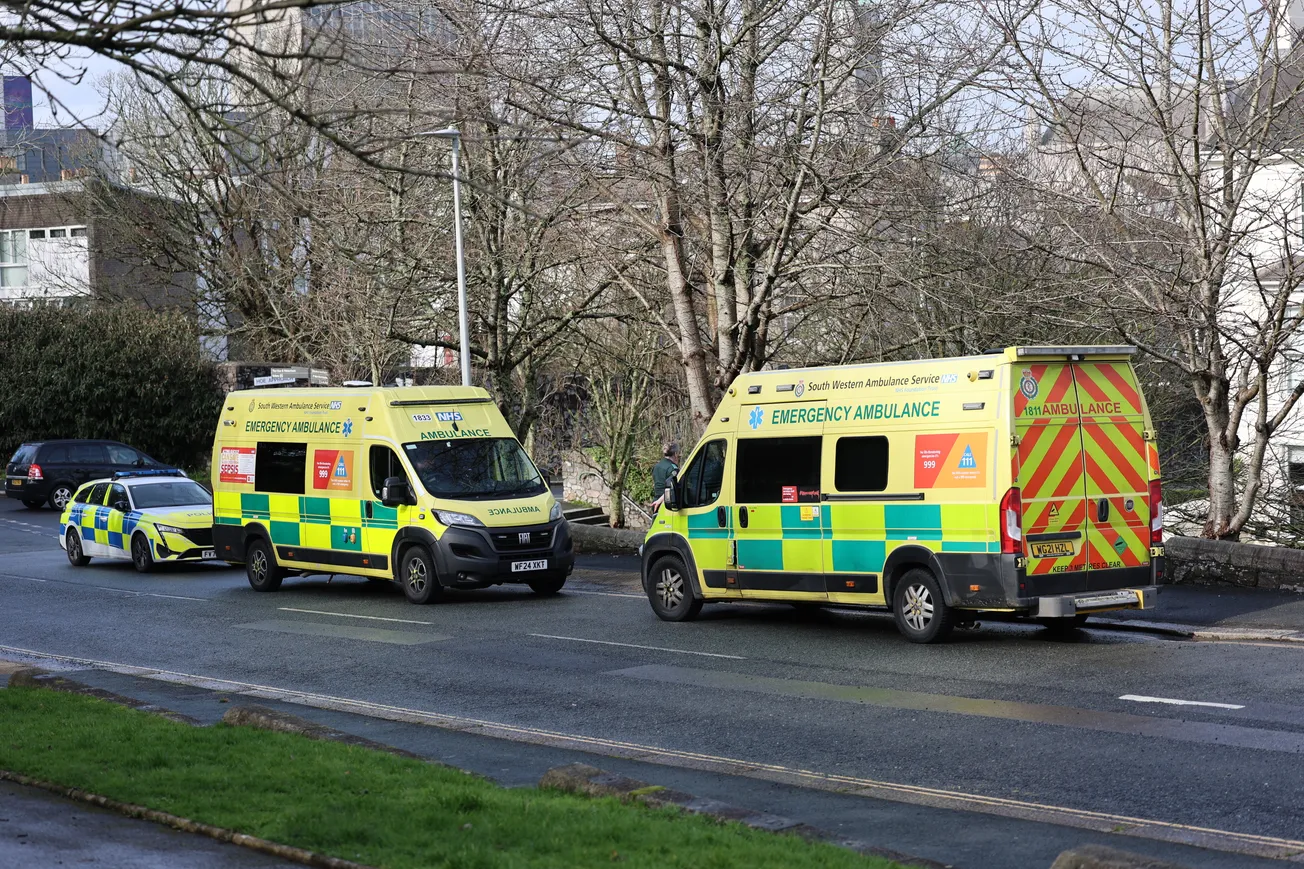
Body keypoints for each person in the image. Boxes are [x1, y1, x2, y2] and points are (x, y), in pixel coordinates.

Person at [650, 442, 680, 512]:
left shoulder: (656, 466)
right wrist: (660, 501)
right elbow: (672, 488)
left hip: (655, 500)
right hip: (666, 503)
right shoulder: (673, 468)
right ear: (675, 454)